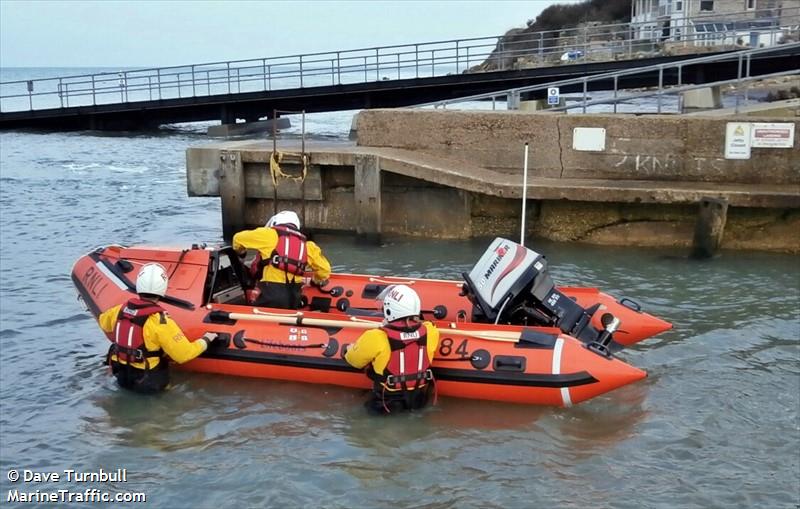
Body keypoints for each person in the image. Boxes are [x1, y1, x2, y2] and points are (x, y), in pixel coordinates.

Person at [97, 263, 218, 394]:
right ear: (163, 287)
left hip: (122, 377)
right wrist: (206, 340)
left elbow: (104, 323)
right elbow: (183, 354)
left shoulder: (119, 310)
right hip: (148, 381)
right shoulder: (160, 321)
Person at [344, 285, 440, 414]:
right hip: (419, 401)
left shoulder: (376, 336)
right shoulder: (430, 331)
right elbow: (421, 326)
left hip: (387, 403)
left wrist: (349, 349)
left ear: (389, 310)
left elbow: (353, 361)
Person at [232, 210, 331, 309]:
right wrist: (314, 281)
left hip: (271, 296)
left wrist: (241, 252)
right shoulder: (307, 245)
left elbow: (237, 239)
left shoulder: (268, 234)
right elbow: (324, 270)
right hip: (294, 298)